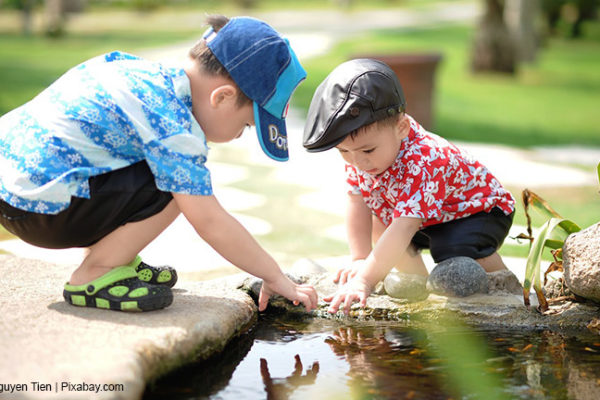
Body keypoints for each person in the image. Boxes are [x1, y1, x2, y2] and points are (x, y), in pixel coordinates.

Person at [0, 15, 318, 313]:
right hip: (39, 211)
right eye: (247, 125)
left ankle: (114, 259)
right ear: (221, 97)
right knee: (181, 187)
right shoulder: (174, 125)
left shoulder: (138, 73)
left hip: (13, 191)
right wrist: (274, 276)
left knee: (164, 171)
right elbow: (209, 221)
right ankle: (96, 273)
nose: (239, 136)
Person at [302, 59, 515, 314]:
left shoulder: (425, 159)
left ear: (401, 128)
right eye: (343, 151)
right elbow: (356, 201)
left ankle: (503, 284)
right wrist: (360, 258)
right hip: (428, 217)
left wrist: (364, 281)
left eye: (368, 150)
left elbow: (405, 226)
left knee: (452, 249)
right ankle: (418, 288)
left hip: (478, 212)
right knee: (380, 221)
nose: (357, 161)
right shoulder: (361, 157)